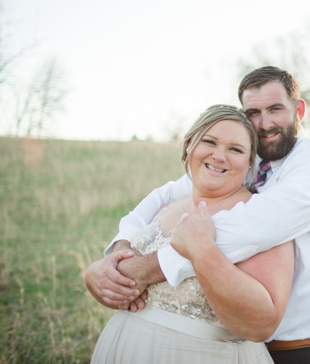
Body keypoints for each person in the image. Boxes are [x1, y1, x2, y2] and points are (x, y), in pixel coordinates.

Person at [86, 66, 310, 364]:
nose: (264, 123)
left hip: (303, 348)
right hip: (244, 341)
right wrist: (118, 250)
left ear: (299, 110)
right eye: (253, 112)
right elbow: (167, 195)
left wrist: (138, 272)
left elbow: (245, 230)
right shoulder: (246, 158)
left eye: (275, 109)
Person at [87, 105, 294, 363]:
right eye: (210, 142)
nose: (220, 156)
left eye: (235, 149)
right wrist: (97, 276)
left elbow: (262, 324)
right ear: (189, 145)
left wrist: (202, 252)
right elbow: (122, 280)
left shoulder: (260, 217)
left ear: (250, 162)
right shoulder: (165, 208)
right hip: (125, 349)